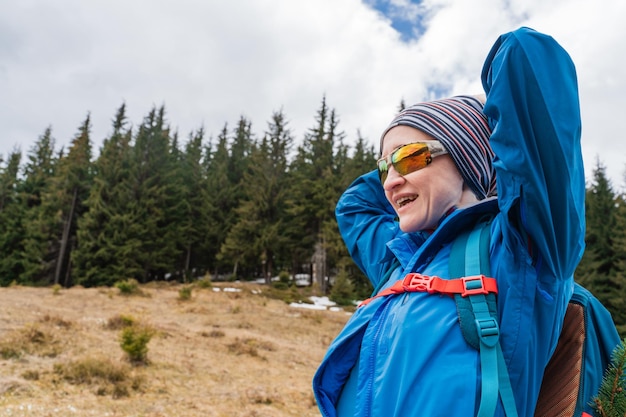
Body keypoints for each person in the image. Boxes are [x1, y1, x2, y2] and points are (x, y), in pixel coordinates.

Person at [313, 27, 585, 417]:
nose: (390, 181)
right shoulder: (398, 260)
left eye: (409, 158)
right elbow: (354, 206)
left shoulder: (520, 248)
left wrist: (482, 122)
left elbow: (527, 57)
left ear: (466, 159)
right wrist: (402, 156)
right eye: (383, 167)